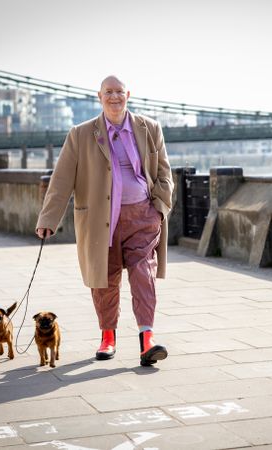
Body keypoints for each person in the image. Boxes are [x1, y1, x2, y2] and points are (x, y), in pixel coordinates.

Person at [35, 75, 173, 367]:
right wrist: (49, 218)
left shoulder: (150, 128)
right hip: (100, 220)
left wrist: (158, 207)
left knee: (142, 273)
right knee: (105, 280)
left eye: (119, 92)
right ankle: (107, 337)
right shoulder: (81, 134)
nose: (114, 97)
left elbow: (164, 173)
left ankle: (146, 338)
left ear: (128, 95)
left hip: (142, 216)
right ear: (99, 97)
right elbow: (61, 181)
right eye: (108, 92)